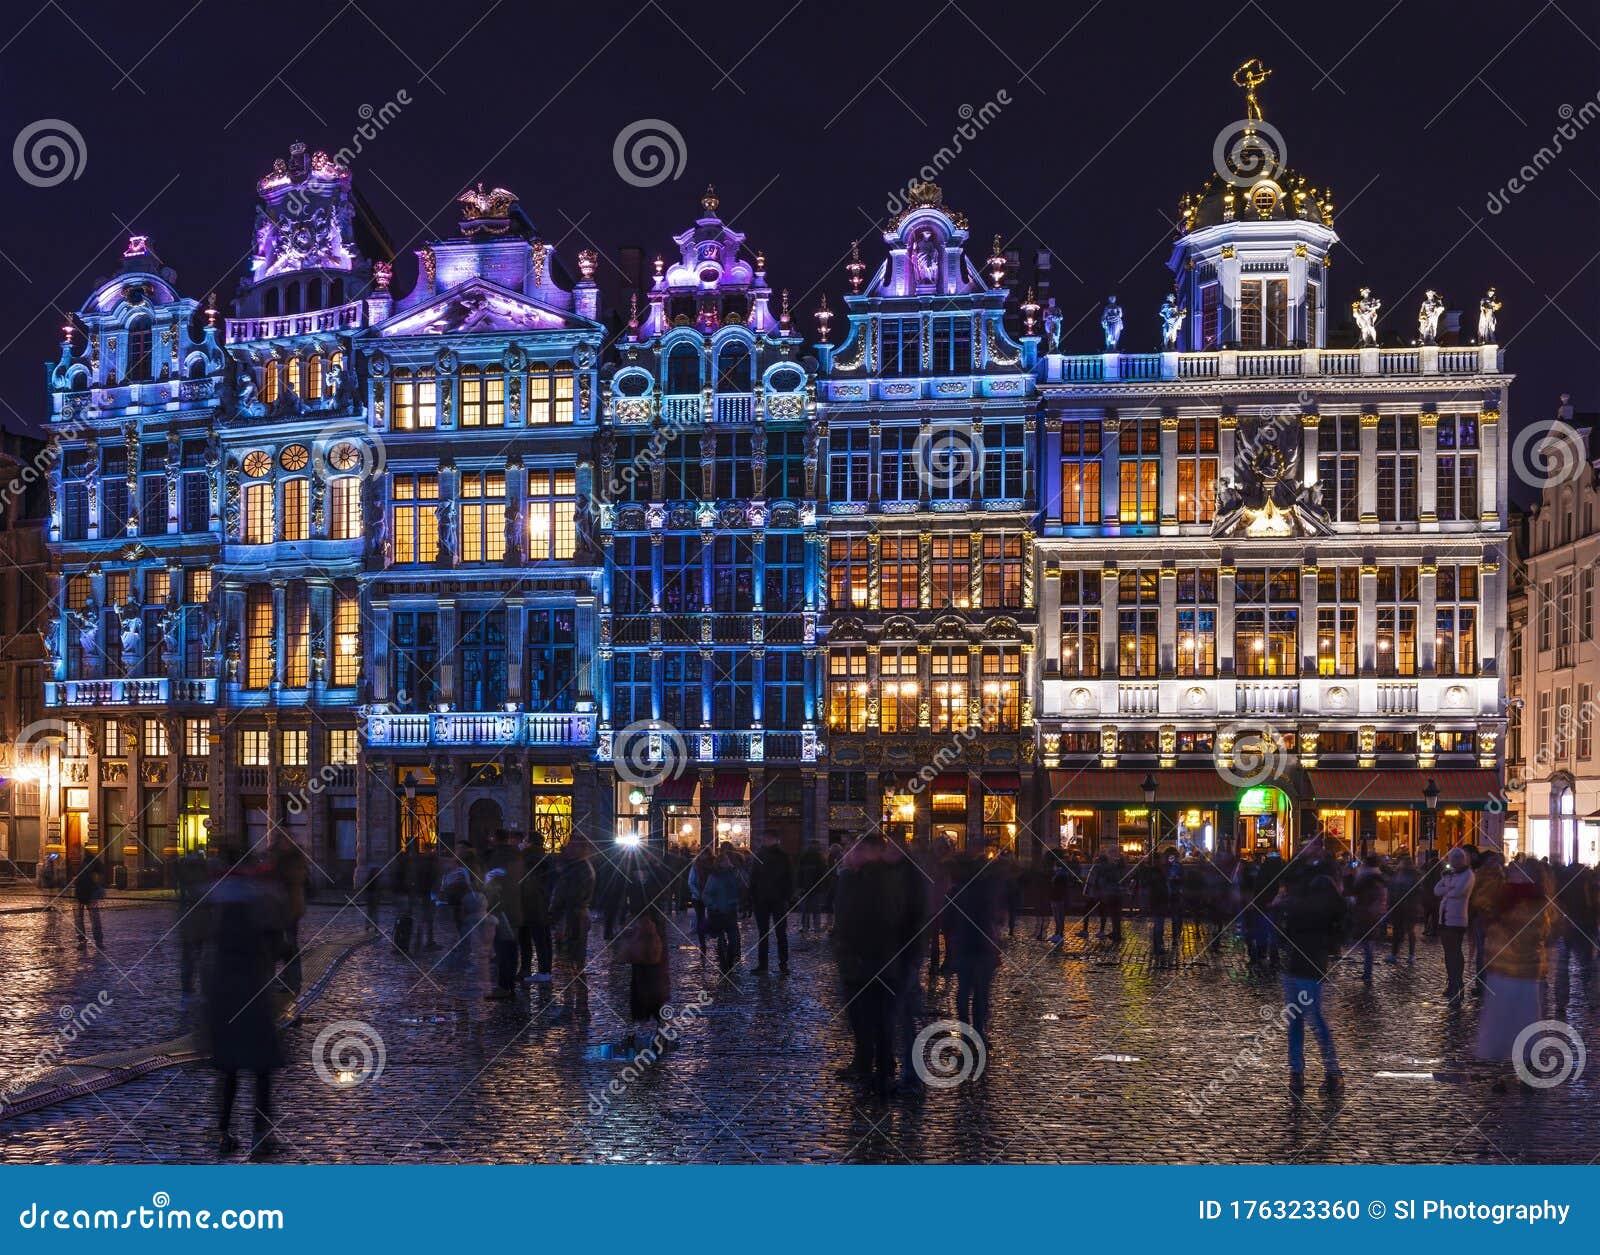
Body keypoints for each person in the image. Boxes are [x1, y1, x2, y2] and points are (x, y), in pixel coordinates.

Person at [203, 855, 290, 1157]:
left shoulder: (220, 922)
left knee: (228, 1072)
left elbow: (207, 965)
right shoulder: (258, 919)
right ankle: (259, 1135)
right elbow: (281, 952)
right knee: (262, 1071)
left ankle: (223, 1133)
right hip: (254, 1002)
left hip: (225, 1004)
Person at [833, 830, 912, 1098]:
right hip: (861, 960)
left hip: (871, 960)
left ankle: (879, 1069)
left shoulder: (877, 879)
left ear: (869, 852)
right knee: (863, 1016)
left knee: (875, 1017)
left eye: (855, 850)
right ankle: (869, 1064)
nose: (848, 854)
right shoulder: (857, 877)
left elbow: (877, 918)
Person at [1475, 864, 1550, 1092]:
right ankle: (1518, 1073)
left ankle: (1507, 1074)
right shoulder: (1535, 902)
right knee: (1520, 1020)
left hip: (1511, 972)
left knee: (1505, 1021)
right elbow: (1543, 932)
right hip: (1520, 972)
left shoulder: (1506, 903)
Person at [1277, 872, 1347, 1098]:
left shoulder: (1304, 909)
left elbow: (1284, 933)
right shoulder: (1326, 912)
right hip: (1309, 967)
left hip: (1299, 967)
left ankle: (1300, 1073)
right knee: (1311, 1022)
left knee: (1301, 1022)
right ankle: (1328, 1073)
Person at [945, 837, 1005, 1042]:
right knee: (978, 993)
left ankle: (969, 1032)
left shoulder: (959, 888)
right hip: (978, 943)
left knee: (966, 992)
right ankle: (976, 1031)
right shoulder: (984, 885)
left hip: (968, 943)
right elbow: (994, 915)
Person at [549, 844, 595, 1016]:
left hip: (572, 919)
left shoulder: (577, 871)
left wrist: (556, 916)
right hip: (573, 917)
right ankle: (576, 1003)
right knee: (571, 961)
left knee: (571, 961)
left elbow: (567, 896)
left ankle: (575, 1004)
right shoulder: (578, 868)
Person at [1434, 846, 1474, 1005]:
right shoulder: (1450, 874)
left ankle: (1458, 984)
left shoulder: (1468, 874)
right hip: (1444, 917)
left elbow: (1458, 892)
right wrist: (1448, 887)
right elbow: (1436, 890)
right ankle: (1452, 982)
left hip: (1457, 918)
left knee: (1454, 952)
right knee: (1448, 953)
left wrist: (1447, 887)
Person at [270, 832, 308, 996]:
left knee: (289, 946)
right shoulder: (285, 858)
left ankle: (293, 980)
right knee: (282, 945)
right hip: (281, 909)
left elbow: (295, 880)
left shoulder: (292, 860)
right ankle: (287, 979)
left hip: (289, 909)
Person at [749, 835, 794, 975]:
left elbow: (790, 877)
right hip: (765, 899)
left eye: (768, 839)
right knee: (767, 933)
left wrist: (787, 896)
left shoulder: (782, 856)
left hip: (775, 899)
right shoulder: (762, 854)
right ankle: (768, 965)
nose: (766, 841)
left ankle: (780, 964)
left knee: (778, 933)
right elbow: (753, 877)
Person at [175, 848, 212, 1000]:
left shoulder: (186, 880)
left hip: (189, 924)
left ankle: (187, 989)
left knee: (189, 958)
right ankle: (202, 989)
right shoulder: (205, 879)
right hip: (201, 924)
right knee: (203, 957)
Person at [517, 840, 555, 984]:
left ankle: (536, 970)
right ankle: (543, 970)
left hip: (530, 908)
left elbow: (527, 888)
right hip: (539, 908)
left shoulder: (530, 863)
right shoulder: (546, 862)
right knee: (542, 940)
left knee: (531, 941)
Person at [702, 850, 743, 975]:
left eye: (727, 861)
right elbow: (707, 894)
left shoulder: (735, 874)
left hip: (730, 910)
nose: (727, 863)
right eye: (724, 861)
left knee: (733, 939)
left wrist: (738, 903)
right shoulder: (714, 876)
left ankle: (729, 962)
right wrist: (713, 905)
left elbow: (741, 888)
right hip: (719, 911)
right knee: (721, 939)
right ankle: (724, 964)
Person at [481, 868, 518, 1000]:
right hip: (507, 914)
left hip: (502, 914)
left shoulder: (496, 874)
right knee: (507, 951)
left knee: (505, 951)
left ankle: (505, 986)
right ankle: (507, 985)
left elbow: (493, 898)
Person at [1350, 854, 1387, 983]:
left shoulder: (1365, 878)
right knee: (1368, 943)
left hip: (1366, 913)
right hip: (1371, 913)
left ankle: (1367, 972)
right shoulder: (1377, 877)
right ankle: (1367, 971)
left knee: (1367, 943)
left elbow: (1356, 893)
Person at [1384, 854, 1420, 964]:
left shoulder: (1413, 875)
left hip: (1408, 906)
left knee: (1408, 931)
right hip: (1399, 906)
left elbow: (1417, 891)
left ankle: (1409, 954)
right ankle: (1396, 954)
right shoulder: (1398, 874)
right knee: (1398, 930)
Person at [71, 852, 105, 951]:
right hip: (86, 894)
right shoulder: (94, 864)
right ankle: (98, 941)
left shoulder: (87, 864)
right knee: (93, 918)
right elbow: (98, 879)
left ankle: (82, 940)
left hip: (80, 893)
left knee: (80, 918)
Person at [687, 847, 714, 955]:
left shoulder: (713, 865)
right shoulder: (696, 866)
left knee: (712, 918)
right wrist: (698, 894)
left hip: (710, 896)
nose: (704, 856)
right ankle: (703, 944)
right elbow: (691, 882)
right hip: (699, 897)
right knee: (700, 919)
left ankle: (715, 939)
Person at [796, 843, 828, 934]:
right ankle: (815, 927)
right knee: (815, 909)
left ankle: (805, 926)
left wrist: (799, 886)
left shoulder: (805, 857)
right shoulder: (819, 859)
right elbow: (823, 874)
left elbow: (799, 873)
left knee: (806, 909)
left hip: (807, 887)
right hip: (814, 888)